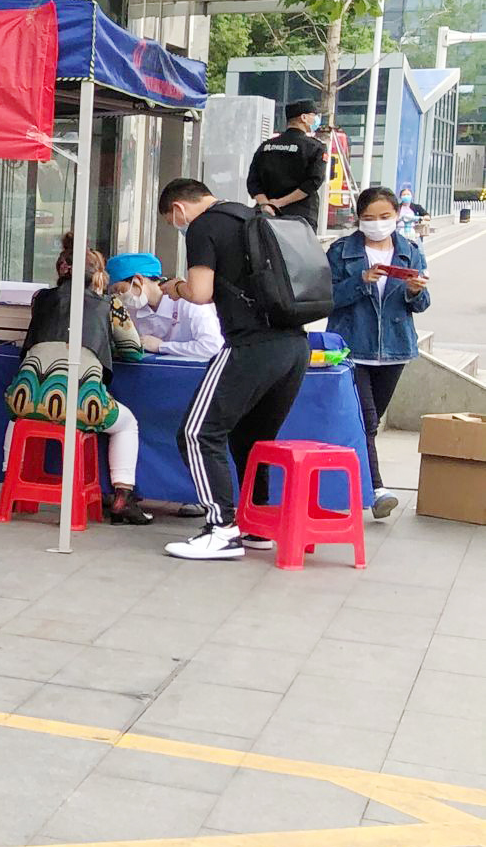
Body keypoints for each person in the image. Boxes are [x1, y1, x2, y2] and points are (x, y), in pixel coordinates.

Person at [158, 178, 314, 560]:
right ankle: (256, 526)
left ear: (178, 209)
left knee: (196, 432)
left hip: (252, 345)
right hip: (295, 344)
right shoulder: (252, 217)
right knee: (250, 437)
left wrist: (174, 287)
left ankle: (221, 529)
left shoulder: (203, 226)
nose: (177, 226)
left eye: (171, 221)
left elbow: (200, 292)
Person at [10, 236, 153, 526]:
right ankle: (123, 496)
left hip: (24, 399)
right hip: (82, 404)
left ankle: (11, 485)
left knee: (18, 419)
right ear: (98, 274)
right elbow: (133, 350)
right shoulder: (110, 304)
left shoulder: (40, 299)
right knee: (127, 424)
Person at [329, 185, 430, 519]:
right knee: (367, 420)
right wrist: (362, 280)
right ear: (359, 218)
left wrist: (415, 291)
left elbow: (422, 304)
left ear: (397, 215)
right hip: (351, 348)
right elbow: (327, 298)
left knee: (367, 424)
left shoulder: (409, 251)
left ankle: (349, 481)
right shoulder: (341, 251)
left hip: (395, 349)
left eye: (384, 216)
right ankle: (376, 489)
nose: (377, 223)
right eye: (369, 218)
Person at [107, 252, 223, 359]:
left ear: (138, 280)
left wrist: (162, 346)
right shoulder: (132, 309)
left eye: (119, 289)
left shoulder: (188, 302)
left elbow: (212, 346)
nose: (119, 296)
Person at [246, 100, 328, 231]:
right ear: (303, 117)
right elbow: (313, 182)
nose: (316, 119)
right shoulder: (315, 147)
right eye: (314, 115)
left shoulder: (265, 147)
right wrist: (279, 203)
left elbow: (252, 182)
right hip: (300, 216)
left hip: (266, 216)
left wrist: (266, 204)